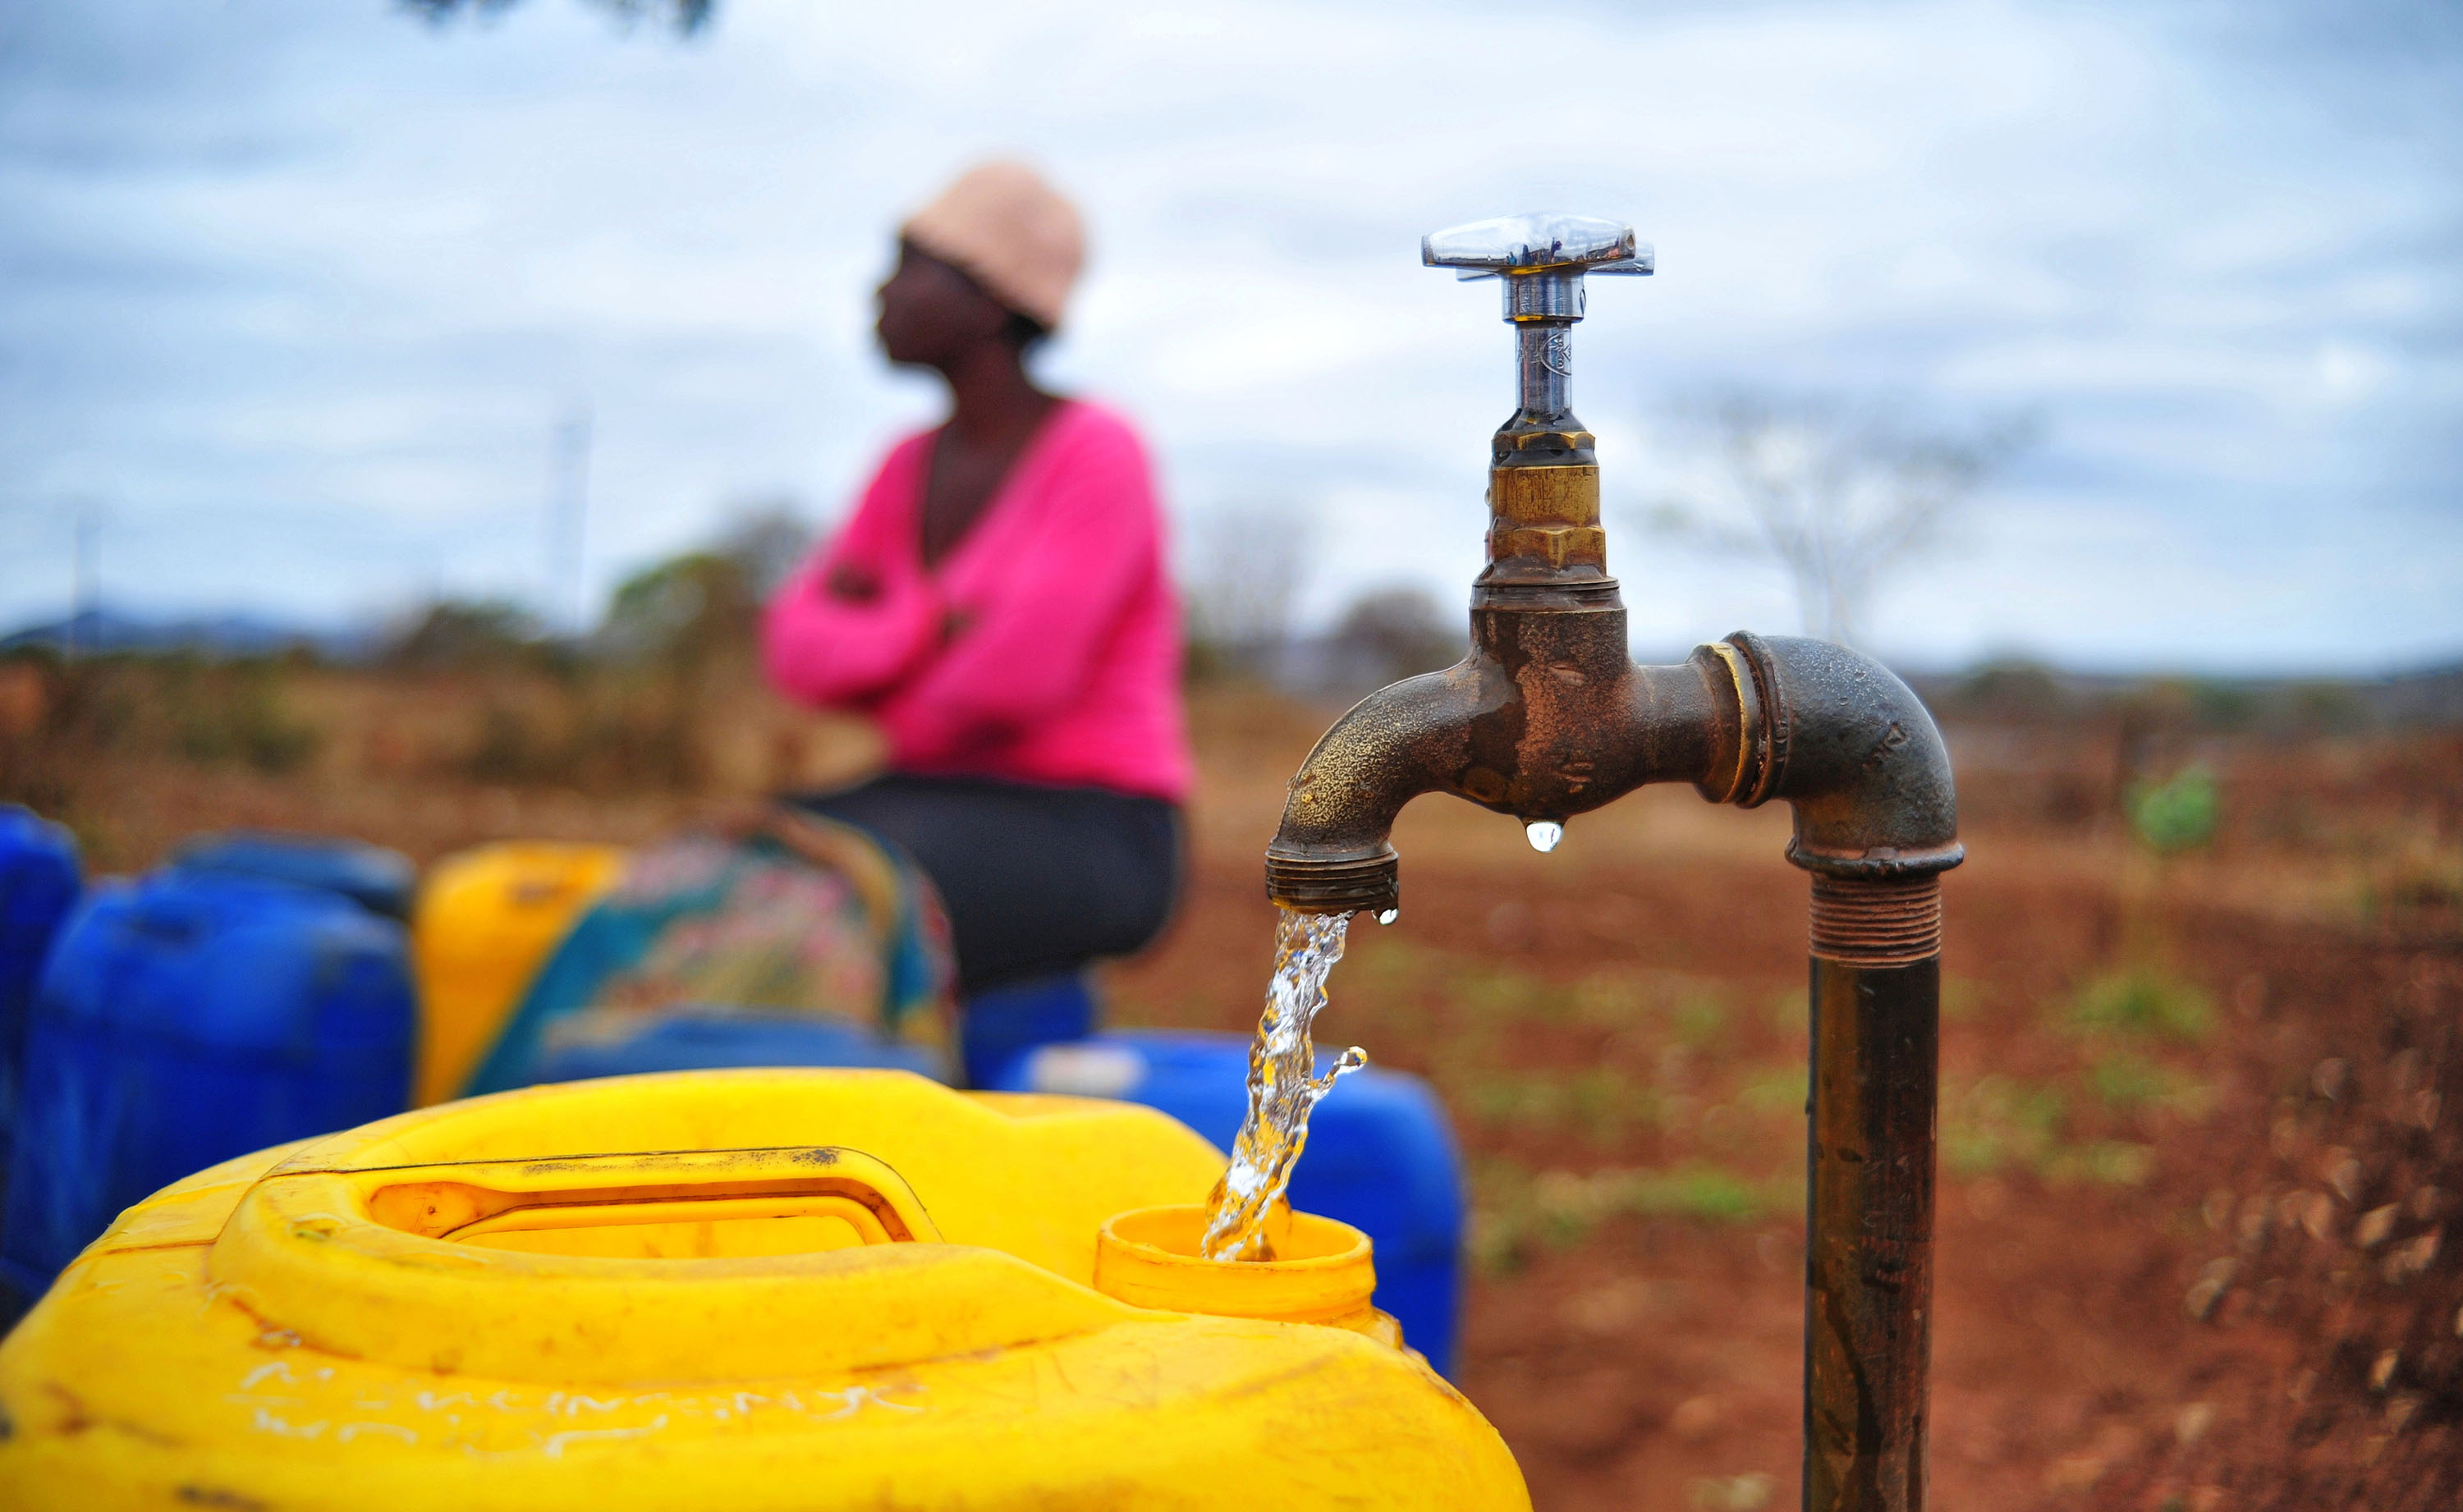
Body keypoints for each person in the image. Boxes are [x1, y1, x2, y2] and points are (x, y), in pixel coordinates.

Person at [763, 161, 1195, 1008]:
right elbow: (793, 647)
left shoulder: (1096, 454)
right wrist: (930, 630)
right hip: (934, 796)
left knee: (814, 903)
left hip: (1090, 825)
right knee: (720, 865)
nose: (879, 291)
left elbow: (1012, 685)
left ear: (991, 297)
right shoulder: (904, 468)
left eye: (908, 265)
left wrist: (880, 668)